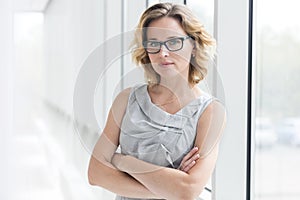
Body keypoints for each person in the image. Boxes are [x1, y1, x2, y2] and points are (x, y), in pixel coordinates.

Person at [88, 3, 226, 200]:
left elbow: (188, 190)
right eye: (153, 43)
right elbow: (96, 173)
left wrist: (123, 162)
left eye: (173, 42)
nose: (163, 53)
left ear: (193, 46)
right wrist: (169, 187)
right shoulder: (126, 100)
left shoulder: (210, 112)